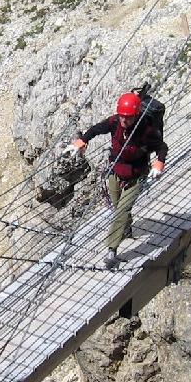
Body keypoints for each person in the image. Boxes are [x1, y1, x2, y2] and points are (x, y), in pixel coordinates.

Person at [72, 92, 167, 269]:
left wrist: (159, 162)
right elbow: (95, 129)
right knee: (118, 206)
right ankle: (126, 227)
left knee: (121, 210)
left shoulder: (145, 129)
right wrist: (82, 141)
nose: (124, 121)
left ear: (136, 115)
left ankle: (111, 250)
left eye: (128, 118)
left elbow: (162, 146)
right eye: (122, 117)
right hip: (116, 171)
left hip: (136, 174)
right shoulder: (115, 122)